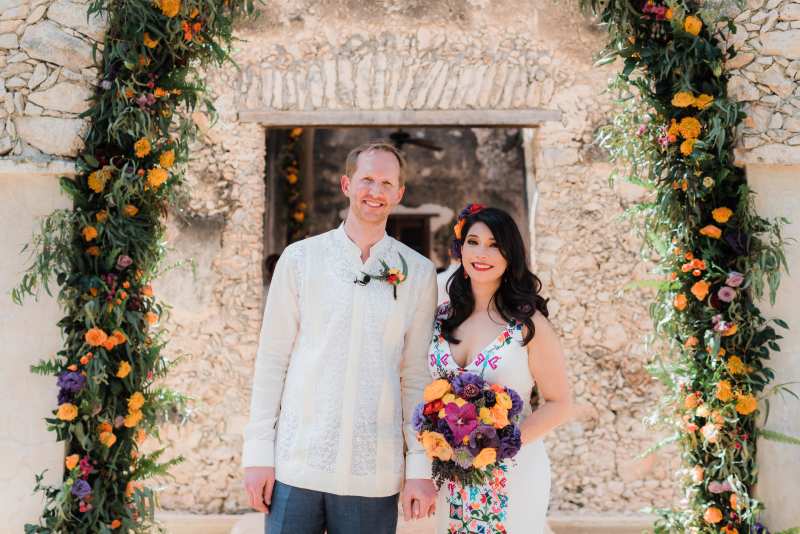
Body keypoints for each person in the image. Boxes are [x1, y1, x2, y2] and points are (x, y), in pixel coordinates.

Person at [242, 140, 439, 534]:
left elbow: (416, 374)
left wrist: (419, 465)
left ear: (399, 194)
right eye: (367, 179)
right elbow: (272, 360)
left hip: (375, 471)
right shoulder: (299, 260)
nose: (376, 191)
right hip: (296, 465)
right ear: (347, 185)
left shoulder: (418, 273)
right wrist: (258, 454)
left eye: (387, 183)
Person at [427, 204, 573, 533]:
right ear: (460, 248)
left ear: (511, 255)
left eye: (494, 245)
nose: (482, 253)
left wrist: (500, 445)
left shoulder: (527, 324)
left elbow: (560, 402)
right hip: (450, 473)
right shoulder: (440, 316)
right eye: (473, 242)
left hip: (512, 469)